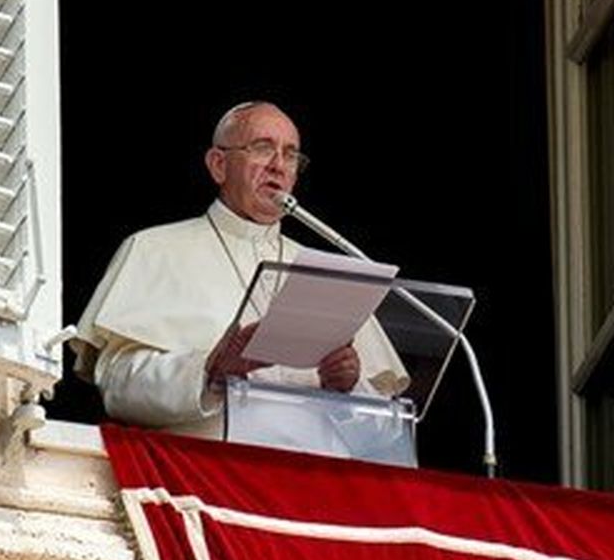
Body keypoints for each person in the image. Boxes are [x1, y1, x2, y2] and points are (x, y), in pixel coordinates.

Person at [71, 101, 407, 440]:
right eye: (263, 148)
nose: (278, 166)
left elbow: (386, 432)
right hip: (209, 478)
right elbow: (118, 383)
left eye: (290, 155)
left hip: (316, 482)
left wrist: (350, 386)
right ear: (219, 165)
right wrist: (209, 372)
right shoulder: (154, 249)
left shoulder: (333, 274)